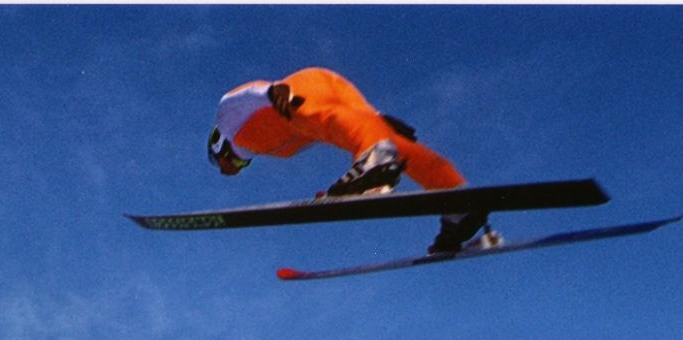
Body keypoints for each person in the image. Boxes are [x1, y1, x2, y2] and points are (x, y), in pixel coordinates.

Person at [207, 68, 490, 253]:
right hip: (334, 90)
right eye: (243, 165)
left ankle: (376, 160)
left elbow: (233, 100)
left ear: (219, 148)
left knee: (305, 114)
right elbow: (336, 125)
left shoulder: (231, 128)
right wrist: (377, 119)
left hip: (302, 87)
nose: (234, 168)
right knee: (396, 146)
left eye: (230, 164)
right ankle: (457, 199)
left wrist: (271, 90)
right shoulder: (272, 144)